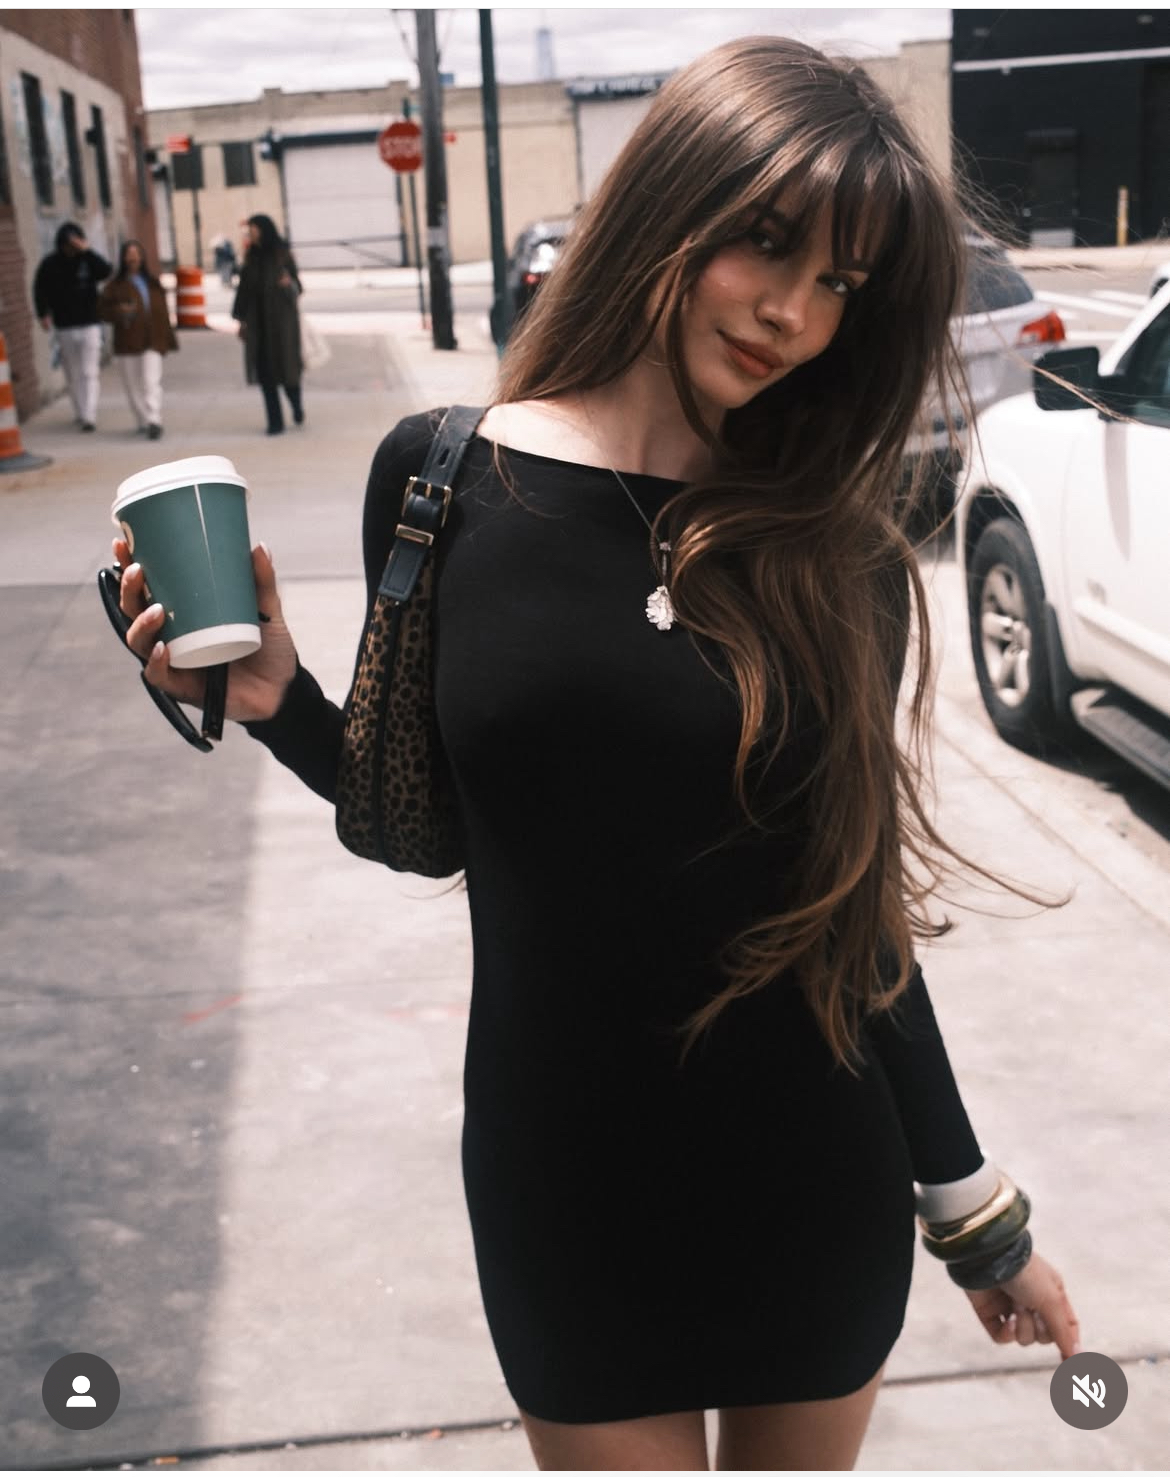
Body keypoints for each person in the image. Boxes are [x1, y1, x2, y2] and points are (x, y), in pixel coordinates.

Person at [113, 38, 1082, 1471]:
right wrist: (281, 705)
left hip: (808, 1180)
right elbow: (430, 822)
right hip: (562, 1190)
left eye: (840, 284)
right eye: (769, 243)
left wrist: (973, 1213)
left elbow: (852, 911)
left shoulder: (835, 546)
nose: (794, 313)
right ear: (672, 201)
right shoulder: (442, 479)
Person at [32, 221, 111, 432]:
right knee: (73, 372)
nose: (71, 248)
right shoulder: (50, 264)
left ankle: (89, 415)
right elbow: (40, 289)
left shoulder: (87, 261)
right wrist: (42, 314)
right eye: (68, 244)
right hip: (65, 325)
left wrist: (87, 251)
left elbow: (105, 271)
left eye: (75, 243)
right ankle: (81, 411)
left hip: (90, 324)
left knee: (89, 371)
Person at [230, 213, 304, 435]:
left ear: (264, 230)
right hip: (258, 327)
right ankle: (275, 422)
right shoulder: (250, 258)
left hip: (282, 326)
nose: (250, 233)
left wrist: (289, 283)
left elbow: (298, 287)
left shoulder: (282, 255)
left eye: (253, 229)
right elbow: (243, 291)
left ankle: (296, 405)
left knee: (288, 372)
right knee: (265, 375)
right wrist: (240, 319)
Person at [97, 240, 178, 441]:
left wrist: (168, 339)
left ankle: (154, 419)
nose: (133, 258)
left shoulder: (153, 284)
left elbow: (163, 314)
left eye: (136, 254)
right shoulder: (115, 286)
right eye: (129, 254)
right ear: (123, 258)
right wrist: (120, 311)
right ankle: (143, 419)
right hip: (128, 342)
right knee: (132, 385)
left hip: (153, 340)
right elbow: (102, 311)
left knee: (151, 381)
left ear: (142, 258)